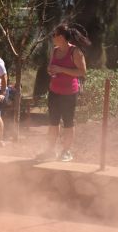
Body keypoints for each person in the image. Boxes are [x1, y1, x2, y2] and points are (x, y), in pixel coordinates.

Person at [38, 23, 89, 162]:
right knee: (53, 122)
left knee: (68, 122)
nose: (52, 37)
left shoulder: (75, 52)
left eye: (54, 35)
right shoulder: (54, 50)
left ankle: (66, 152)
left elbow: (82, 72)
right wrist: (50, 70)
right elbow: (50, 66)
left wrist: (60, 69)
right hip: (54, 91)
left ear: (61, 37)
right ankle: (50, 151)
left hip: (69, 93)